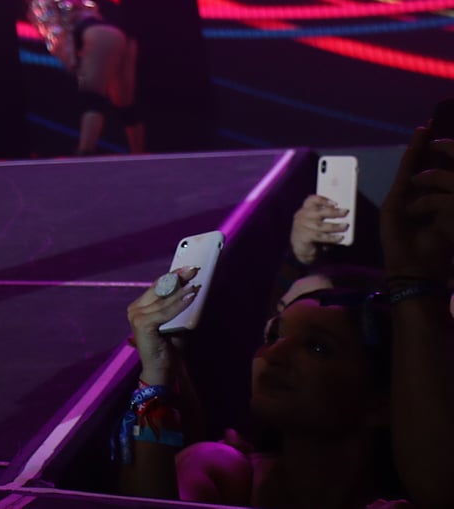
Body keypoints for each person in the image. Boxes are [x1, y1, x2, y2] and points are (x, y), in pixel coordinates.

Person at [116, 125, 453, 506]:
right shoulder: (222, 471)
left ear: (380, 402)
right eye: (273, 336)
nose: (272, 355)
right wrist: (156, 374)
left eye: (318, 348)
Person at [18, 0, 145, 156]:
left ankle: (85, 151)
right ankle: (140, 153)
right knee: (125, 103)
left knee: (92, 98)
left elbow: (55, 33)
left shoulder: (40, 1)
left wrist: (72, 61)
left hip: (95, 36)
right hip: (118, 34)